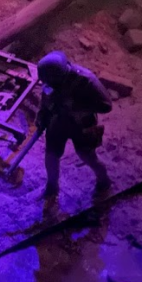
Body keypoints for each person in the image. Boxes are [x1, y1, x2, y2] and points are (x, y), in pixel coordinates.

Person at [36, 51, 113, 198]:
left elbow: (106, 105)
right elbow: (46, 95)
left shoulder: (86, 80)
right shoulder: (51, 78)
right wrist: (42, 114)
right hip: (57, 121)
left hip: (82, 124)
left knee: (88, 157)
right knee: (51, 156)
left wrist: (76, 106)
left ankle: (104, 180)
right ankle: (52, 188)